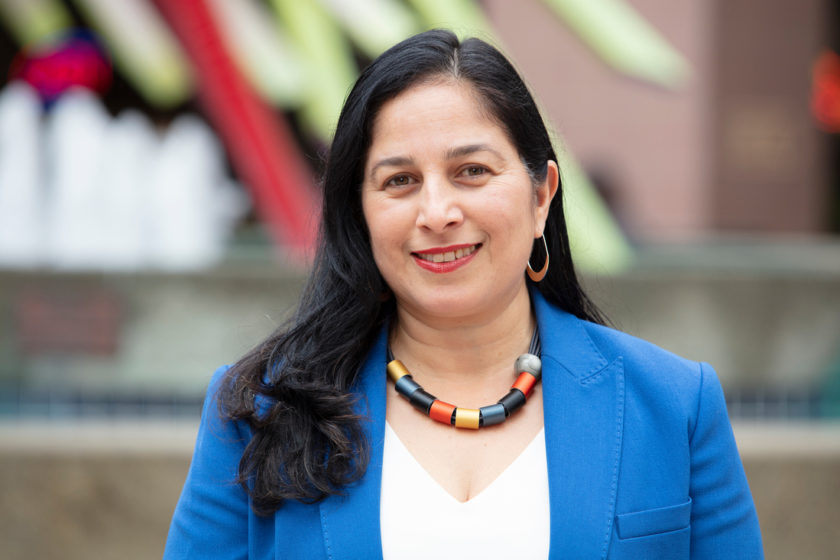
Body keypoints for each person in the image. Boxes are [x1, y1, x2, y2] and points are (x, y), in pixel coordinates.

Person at [164, 29, 763, 559]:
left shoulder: (674, 407)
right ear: (360, 214)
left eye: (471, 171)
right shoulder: (258, 411)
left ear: (541, 195)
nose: (437, 212)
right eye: (400, 180)